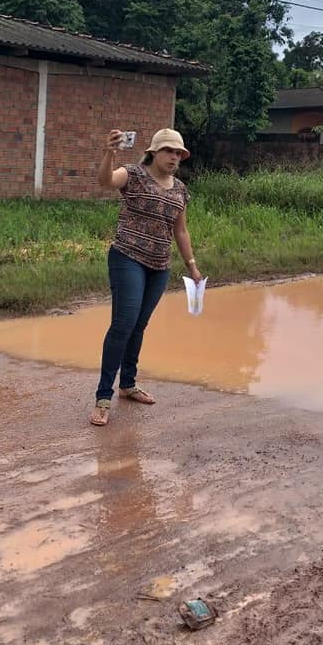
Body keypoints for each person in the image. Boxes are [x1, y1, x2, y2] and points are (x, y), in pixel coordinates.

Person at [90, 128, 203, 427]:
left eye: (178, 153)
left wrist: (191, 264)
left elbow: (180, 230)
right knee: (123, 324)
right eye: (169, 151)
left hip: (159, 265)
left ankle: (128, 384)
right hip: (127, 257)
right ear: (154, 152)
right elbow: (104, 181)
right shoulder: (133, 174)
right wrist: (110, 152)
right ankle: (103, 397)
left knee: (139, 325)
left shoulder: (179, 189)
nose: (174, 157)